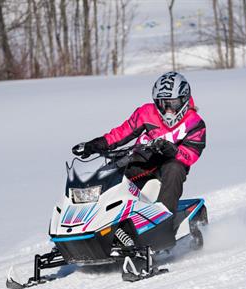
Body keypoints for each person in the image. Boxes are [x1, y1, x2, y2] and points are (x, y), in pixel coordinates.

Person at [72, 71, 206, 217]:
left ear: (184, 100)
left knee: (174, 168)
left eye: (173, 103)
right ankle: (88, 219)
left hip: (168, 168)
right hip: (141, 160)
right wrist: (95, 145)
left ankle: (165, 222)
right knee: (107, 173)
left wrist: (172, 150)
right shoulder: (146, 112)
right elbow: (121, 133)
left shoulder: (195, 123)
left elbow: (190, 155)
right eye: (163, 103)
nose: (168, 110)